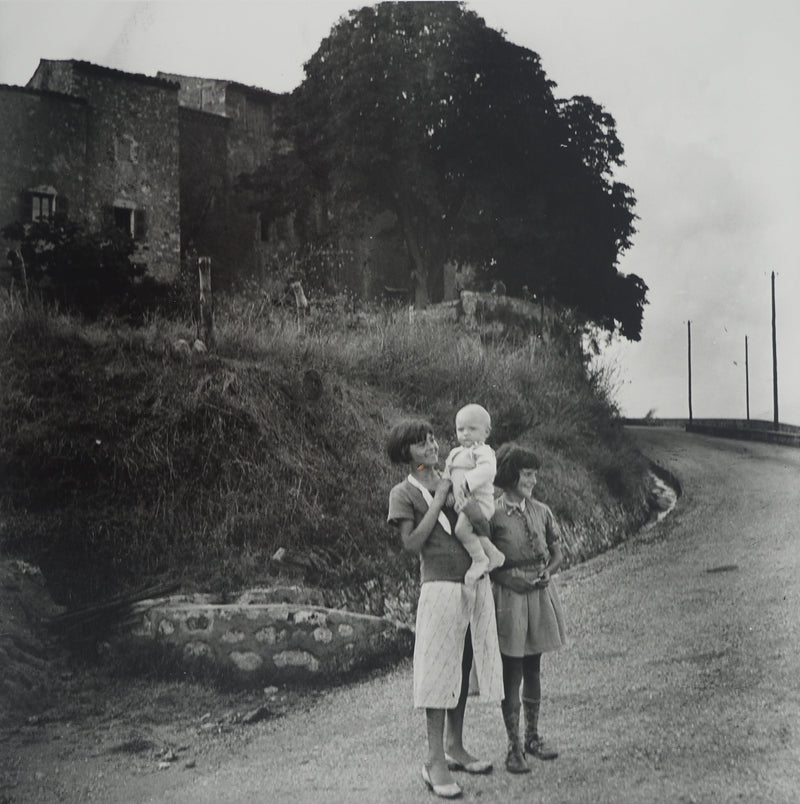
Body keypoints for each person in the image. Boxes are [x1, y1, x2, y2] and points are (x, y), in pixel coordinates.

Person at [387, 419, 504, 799]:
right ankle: (434, 760)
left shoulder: (458, 476)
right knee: (437, 672)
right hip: (437, 587)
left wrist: (467, 503)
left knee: (463, 666)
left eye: (432, 439)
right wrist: (437, 500)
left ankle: (455, 745)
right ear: (407, 454)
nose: (432, 447)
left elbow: (485, 528)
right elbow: (412, 544)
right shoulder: (403, 493)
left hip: (470, 584)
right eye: (421, 444)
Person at [489, 442, 567, 774]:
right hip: (509, 598)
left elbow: (557, 552)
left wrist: (548, 572)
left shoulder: (542, 511)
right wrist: (510, 580)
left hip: (538, 596)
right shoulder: (491, 514)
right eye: (527, 474)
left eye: (535, 474)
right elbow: (484, 561)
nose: (533, 481)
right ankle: (513, 746)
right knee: (513, 670)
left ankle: (533, 737)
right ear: (509, 475)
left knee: (533, 666)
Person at [444, 404, 506, 584]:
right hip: (463, 503)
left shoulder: (483, 451)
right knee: (474, 532)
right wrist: (449, 492)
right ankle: (494, 554)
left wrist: (468, 481)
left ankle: (480, 560)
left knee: (461, 530)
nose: (465, 434)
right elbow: (447, 475)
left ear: (486, 432)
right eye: (460, 429)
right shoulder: (455, 453)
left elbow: (488, 470)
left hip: (479, 502)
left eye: (472, 429)